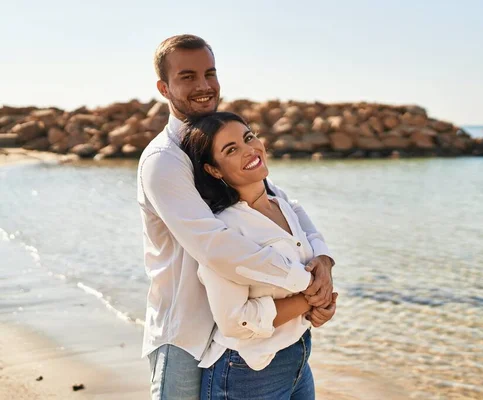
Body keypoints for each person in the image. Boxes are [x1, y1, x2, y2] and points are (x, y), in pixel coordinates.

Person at [137, 34, 336, 399]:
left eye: (209, 73)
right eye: (187, 76)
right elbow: (215, 246)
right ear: (163, 87)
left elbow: (283, 203)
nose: (203, 86)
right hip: (187, 331)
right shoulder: (164, 160)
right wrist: (305, 286)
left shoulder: (223, 140)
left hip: (242, 334)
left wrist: (322, 261)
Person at [179, 111, 337, 399]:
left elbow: (313, 256)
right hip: (247, 372)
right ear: (214, 170)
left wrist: (322, 297)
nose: (249, 150)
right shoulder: (226, 228)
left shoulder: (282, 206)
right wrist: (308, 301)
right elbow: (235, 321)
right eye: (231, 150)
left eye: (248, 137)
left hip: (297, 355)